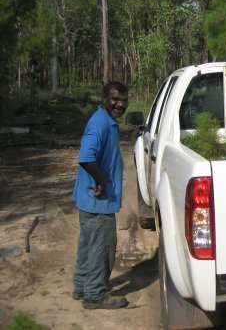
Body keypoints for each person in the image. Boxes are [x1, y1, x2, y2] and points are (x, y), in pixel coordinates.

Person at [72, 81, 129, 309]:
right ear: (104, 97)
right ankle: (94, 296)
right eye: (115, 99)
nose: (120, 104)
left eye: (124, 100)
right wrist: (101, 180)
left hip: (90, 201)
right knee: (101, 248)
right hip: (98, 201)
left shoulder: (106, 121)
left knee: (87, 244)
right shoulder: (100, 124)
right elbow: (86, 157)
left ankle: (81, 286)